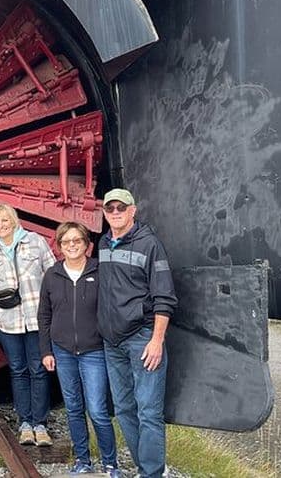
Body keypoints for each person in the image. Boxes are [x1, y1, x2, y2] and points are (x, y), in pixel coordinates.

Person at [97, 188, 177, 478]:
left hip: (142, 339)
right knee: (124, 409)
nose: (115, 212)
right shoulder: (104, 243)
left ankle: (152, 472)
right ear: (105, 213)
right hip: (112, 342)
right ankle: (147, 468)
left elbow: (164, 296)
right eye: (110, 208)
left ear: (133, 210)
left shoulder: (149, 244)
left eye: (121, 207)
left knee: (149, 412)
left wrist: (157, 340)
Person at [38, 222, 120, 477]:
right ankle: (83, 460)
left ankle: (110, 463)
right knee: (73, 408)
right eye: (66, 242)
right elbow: (44, 315)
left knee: (96, 409)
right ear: (59, 246)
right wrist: (46, 351)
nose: (72, 246)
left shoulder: (100, 271)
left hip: (93, 350)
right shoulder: (52, 274)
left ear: (87, 244)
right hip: (62, 350)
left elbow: (112, 308)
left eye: (77, 241)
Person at [0, 203, 56, 446]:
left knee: (38, 369)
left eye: (5, 220)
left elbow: (52, 273)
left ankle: (40, 424)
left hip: (36, 318)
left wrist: (50, 309)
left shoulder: (35, 241)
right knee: (18, 370)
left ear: (13, 220)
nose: (1, 225)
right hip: (8, 320)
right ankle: (25, 422)